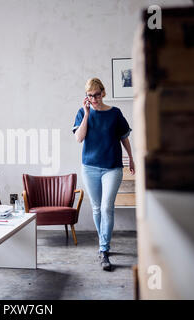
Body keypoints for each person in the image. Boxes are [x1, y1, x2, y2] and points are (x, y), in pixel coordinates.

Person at [72, 78, 134, 271]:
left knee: (107, 207)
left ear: (103, 92)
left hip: (112, 168)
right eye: (90, 95)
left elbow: (124, 137)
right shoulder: (83, 112)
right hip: (90, 167)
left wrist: (131, 158)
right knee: (97, 208)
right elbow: (79, 138)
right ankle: (103, 245)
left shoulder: (115, 113)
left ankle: (103, 249)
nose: (94, 98)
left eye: (97, 94)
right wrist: (87, 114)